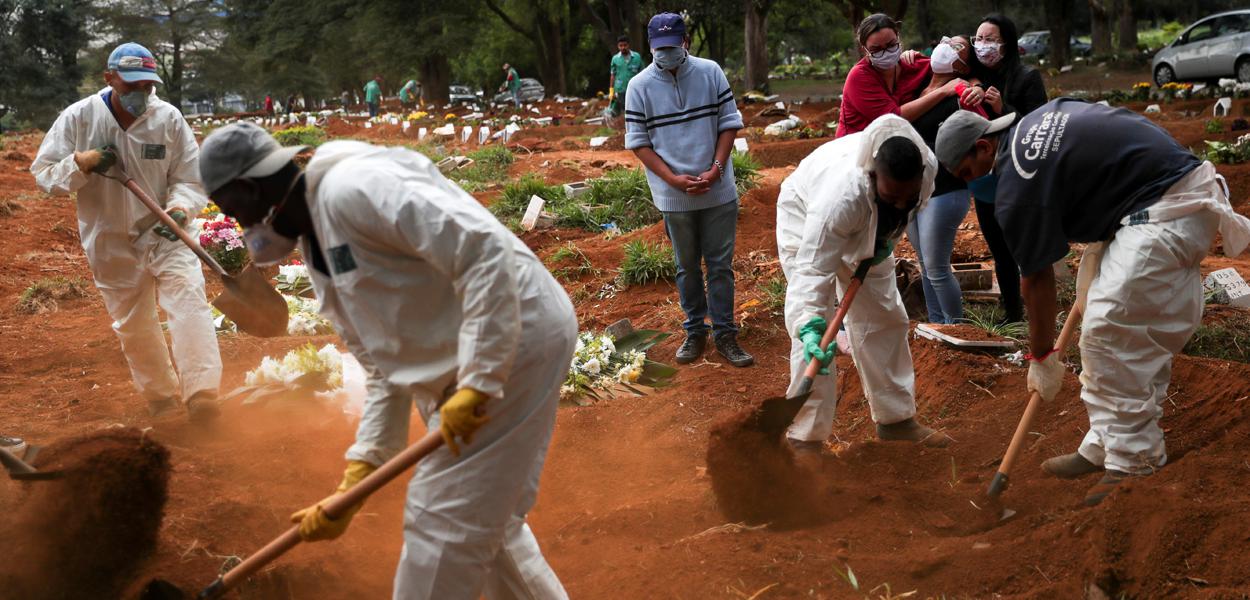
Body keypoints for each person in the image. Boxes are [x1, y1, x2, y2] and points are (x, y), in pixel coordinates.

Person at [198, 121, 575, 599]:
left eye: (235, 212)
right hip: (468, 362)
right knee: (491, 524)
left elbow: (484, 252)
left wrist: (480, 380)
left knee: (440, 521)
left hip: (515, 338)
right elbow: (382, 372)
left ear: (251, 189)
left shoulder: (356, 187)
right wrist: (361, 472)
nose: (241, 227)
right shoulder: (319, 251)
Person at [935, 101, 1250, 506]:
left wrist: (1041, 356)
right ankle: (1105, 442)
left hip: (1166, 207)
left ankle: (1134, 461)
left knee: (1110, 333)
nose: (971, 185)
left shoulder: (1017, 185)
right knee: (1124, 331)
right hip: (1167, 192)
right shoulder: (1035, 122)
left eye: (967, 173)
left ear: (983, 147)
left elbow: (1037, 280)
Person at [30, 42, 221, 422]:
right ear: (110, 79)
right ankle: (162, 397)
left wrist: (181, 209)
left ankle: (202, 394)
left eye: (147, 86)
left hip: (166, 233)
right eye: (132, 86)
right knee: (134, 323)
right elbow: (44, 175)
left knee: (188, 303)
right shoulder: (79, 118)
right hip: (110, 239)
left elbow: (190, 178)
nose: (141, 94)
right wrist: (80, 163)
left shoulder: (167, 119)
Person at [778, 114, 950, 452]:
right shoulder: (839, 200)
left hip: (873, 229)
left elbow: (907, 207)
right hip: (804, 212)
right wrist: (807, 322)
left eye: (907, 196)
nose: (900, 203)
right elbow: (813, 269)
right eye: (892, 196)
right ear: (872, 176)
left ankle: (895, 420)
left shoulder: (927, 168)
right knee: (816, 329)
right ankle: (804, 437)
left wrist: (887, 238)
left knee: (883, 313)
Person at [624, 12, 753, 368]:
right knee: (687, 267)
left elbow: (729, 123)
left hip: (717, 190)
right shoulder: (638, 86)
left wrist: (716, 170)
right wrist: (672, 179)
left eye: (672, 46)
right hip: (674, 195)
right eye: (659, 48)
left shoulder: (710, 72)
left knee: (720, 266)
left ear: (685, 42)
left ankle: (725, 333)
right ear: (650, 47)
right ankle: (695, 331)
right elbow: (639, 142)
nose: (666, 53)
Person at [904, 35, 1001, 323]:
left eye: (958, 47)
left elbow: (984, 129)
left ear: (963, 66)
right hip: (915, 189)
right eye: (946, 40)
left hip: (946, 189)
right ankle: (938, 326)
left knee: (937, 268)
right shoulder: (917, 85)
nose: (947, 45)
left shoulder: (963, 93)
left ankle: (956, 328)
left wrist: (977, 89)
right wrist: (907, 55)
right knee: (925, 266)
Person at [967, 13, 1048, 324]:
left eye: (990, 39)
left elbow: (1040, 127)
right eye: (978, 39)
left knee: (1023, 246)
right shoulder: (973, 78)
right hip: (984, 175)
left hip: (1019, 174)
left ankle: (1038, 308)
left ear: (1007, 43)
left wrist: (1004, 109)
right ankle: (1012, 313)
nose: (982, 45)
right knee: (998, 248)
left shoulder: (1027, 78)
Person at [835, 13, 968, 138]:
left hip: (899, 139)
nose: (886, 52)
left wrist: (976, 86)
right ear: (864, 49)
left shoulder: (913, 64)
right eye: (876, 49)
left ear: (898, 38)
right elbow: (892, 119)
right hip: (857, 144)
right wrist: (943, 91)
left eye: (891, 45)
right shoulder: (859, 76)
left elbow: (958, 72)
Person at [608, 35, 643, 118]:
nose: (623, 47)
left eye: (625, 45)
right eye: (620, 46)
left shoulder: (637, 57)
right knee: (616, 111)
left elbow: (642, 73)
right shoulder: (615, 59)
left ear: (628, 45)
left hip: (634, 89)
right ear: (618, 46)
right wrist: (611, 90)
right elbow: (613, 75)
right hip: (620, 89)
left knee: (633, 110)